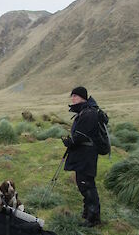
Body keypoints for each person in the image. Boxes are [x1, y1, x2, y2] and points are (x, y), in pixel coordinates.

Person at [61, 86, 101, 227]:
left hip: (87, 156)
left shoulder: (89, 113)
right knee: (84, 183)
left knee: (87, 185)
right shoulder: (85, 111)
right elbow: (80, 135)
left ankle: (93, 219)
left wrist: (70, 142)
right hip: (83, 154)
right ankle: (88, 213)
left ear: (83, 97)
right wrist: (72, 141)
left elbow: (81, 136)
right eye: (72, 96)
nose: (73, 98)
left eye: (75, 96)